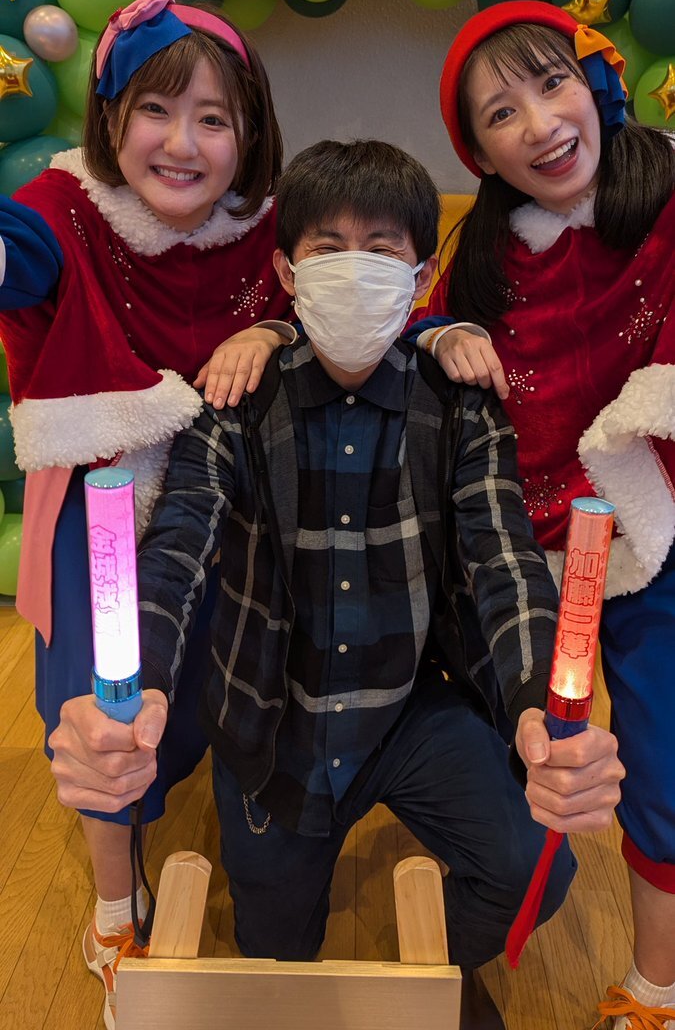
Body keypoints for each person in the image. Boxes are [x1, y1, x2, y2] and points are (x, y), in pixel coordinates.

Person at [49, 139, 623, 1029]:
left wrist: (533, 708)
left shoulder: (459, 402)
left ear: (420, 274)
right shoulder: (234, 400)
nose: (354, 268)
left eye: (382, 249)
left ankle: (430, 981)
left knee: (527, 875)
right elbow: (175, 550)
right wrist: (140, 684)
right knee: (276, 959)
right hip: (273, 725)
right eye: (327, 249)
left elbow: (504, 559)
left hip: (409, 707)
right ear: (287, 270)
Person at [0, 0, 295, 1027]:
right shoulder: (62, 209)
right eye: (156, 111)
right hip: (108, 507)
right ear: (111, 118)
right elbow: (17, 254)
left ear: (247, 133)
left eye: (213, 118)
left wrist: (271, 334)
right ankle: (115, 908)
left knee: (221, 681)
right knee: (103, 704)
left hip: (231, 503)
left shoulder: (271, 226)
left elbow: (348, 295)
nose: (181, 143)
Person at [410, 0, 675, 1030]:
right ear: (480, 155)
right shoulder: (483, 254)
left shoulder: (663, 198)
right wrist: (443, 337)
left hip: (654, 532)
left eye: (550, 83)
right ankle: (476, 921)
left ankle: (655, 985)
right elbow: (421, 326)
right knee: (522, 751)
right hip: (529, 553)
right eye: (500, 114)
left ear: (593, 81)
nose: (539, 123)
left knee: (660, 760)